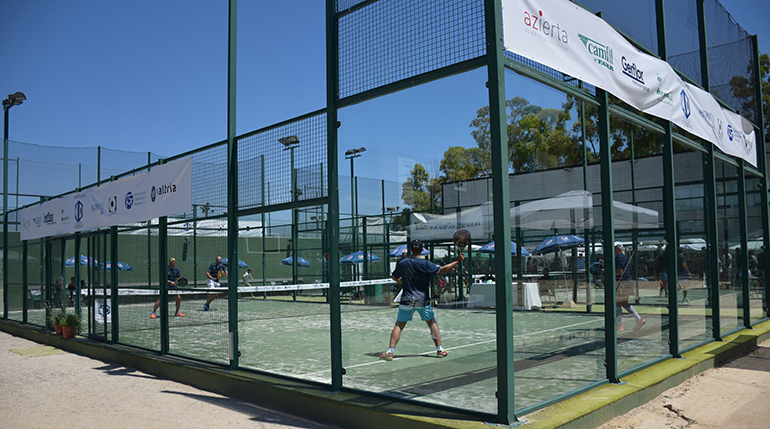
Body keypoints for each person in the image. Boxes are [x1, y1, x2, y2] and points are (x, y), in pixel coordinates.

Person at [380, 239, 464, 361]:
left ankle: (390, 352)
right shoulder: (426, 264)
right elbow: (443, 270)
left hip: (406, 299)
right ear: (422, 250)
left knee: (399, 325)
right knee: (432, 323)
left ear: (410, 250)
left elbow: (394, 276)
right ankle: (440, 350)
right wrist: (457, 260)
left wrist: (400, 281)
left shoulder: (403, 263)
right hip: (422, 300)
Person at [614, 242, 645, 331]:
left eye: (614, 247)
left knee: (618, 303)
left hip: (623, 283)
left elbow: (619, 272)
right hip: (627, 282)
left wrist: (607, 272)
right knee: (624, 303)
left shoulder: (619, 257)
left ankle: (619, 325)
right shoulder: (621, 257)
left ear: (618, 248)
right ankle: (639, 319)